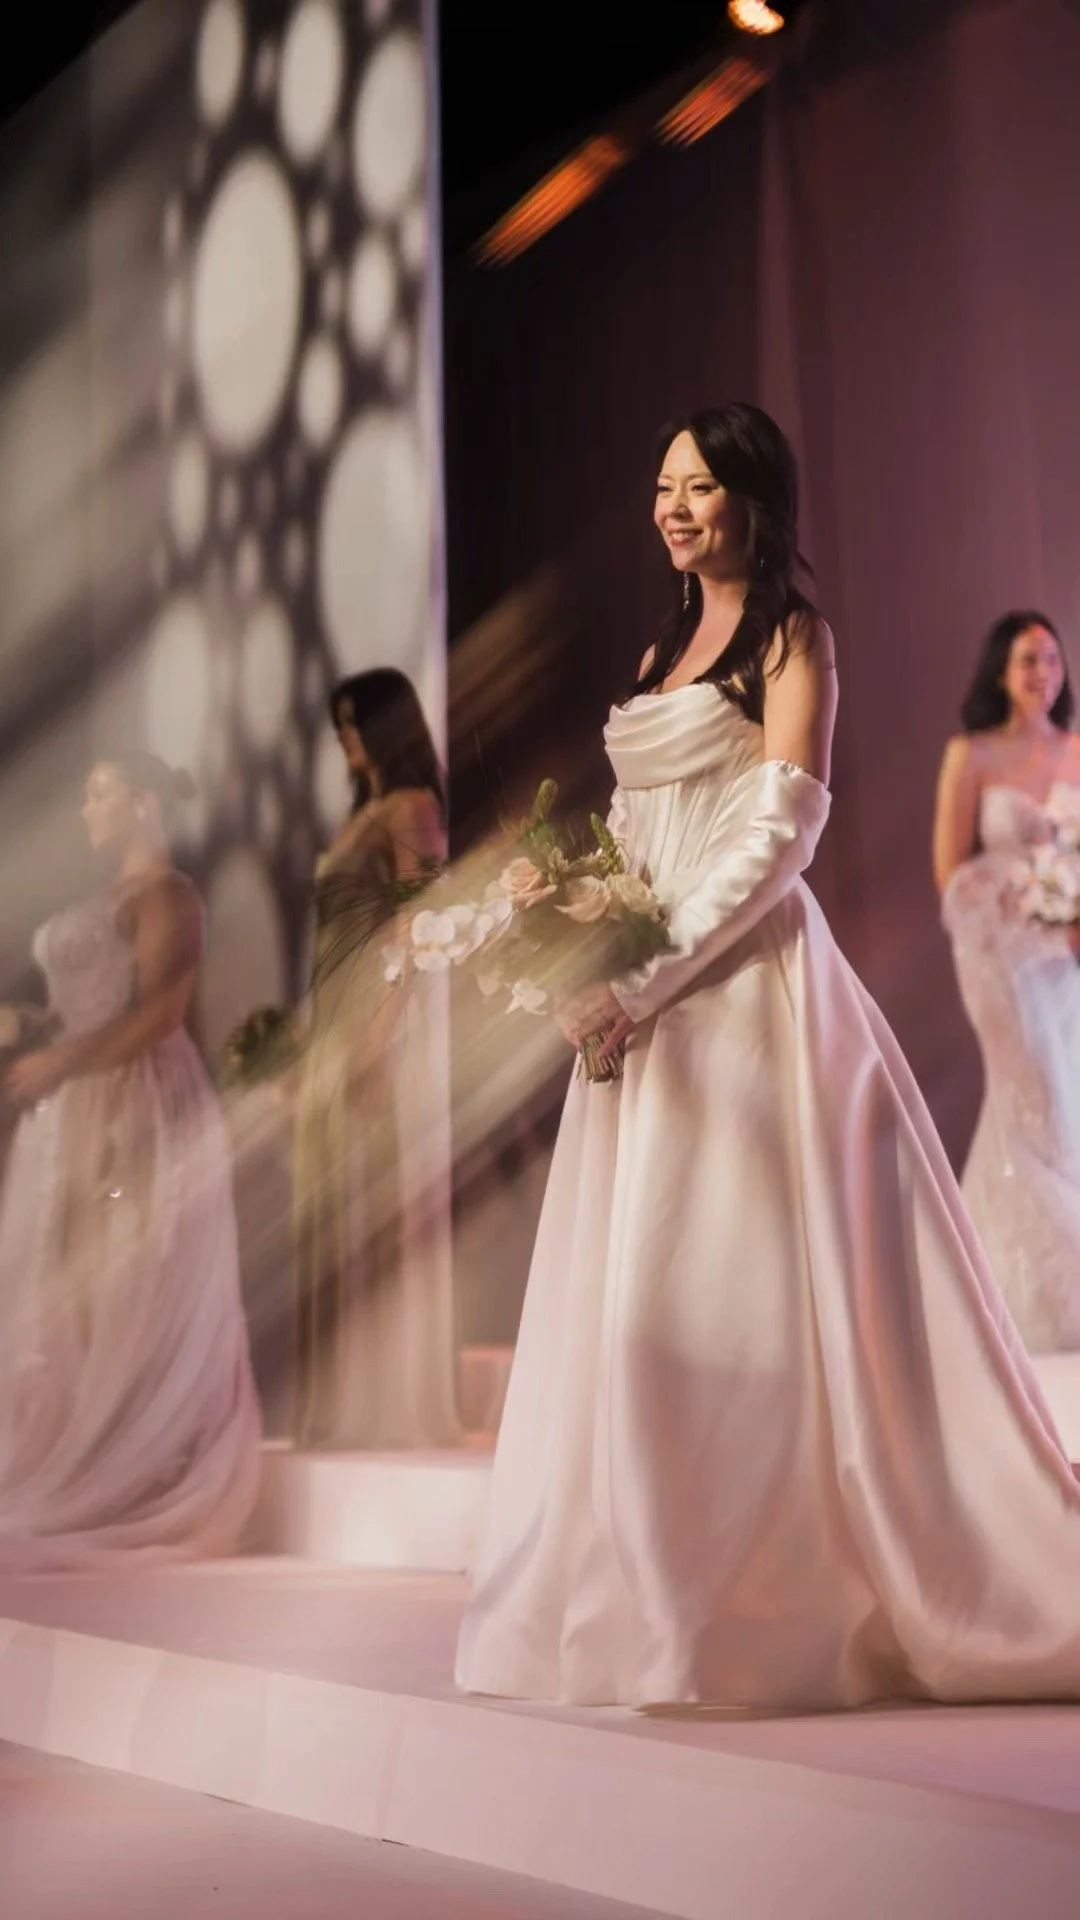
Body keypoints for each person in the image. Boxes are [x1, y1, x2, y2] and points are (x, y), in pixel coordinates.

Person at [455, 403, 1080, 1713]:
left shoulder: (796, 639)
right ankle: (641, 1592)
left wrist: (643, 974)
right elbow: (636, 836)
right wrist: (579, 957)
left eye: (698, 486)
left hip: (738, 984)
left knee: (733, 1278)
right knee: (641, 1299)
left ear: (754, 498)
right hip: (636, 1004)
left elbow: (783, 834)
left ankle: (744, 1607)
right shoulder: (660, 645)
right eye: (663, 486)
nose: (673, 508)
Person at [0, 751, 260, 1568]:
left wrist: (62, 1060)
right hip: (74, 1107)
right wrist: (34, 1026)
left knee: (126, 1275)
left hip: (135, 1103)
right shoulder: (109, 896)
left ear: (143, 804)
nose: (86, 808)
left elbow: (160, 1014)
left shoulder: (169, 894)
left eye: (99, 792)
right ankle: (83, 1453)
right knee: (67, 1283)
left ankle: (135, 1469)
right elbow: (90, 1003)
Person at [293, 668, 461, 1448]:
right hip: (333, 1021)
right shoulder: (361, 811)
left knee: (372, 1199)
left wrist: (379, 1034)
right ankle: (335, 1404)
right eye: (339, 727)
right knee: (328, 1208)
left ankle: (382, 1404)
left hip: (374, 1021)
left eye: (353, 725)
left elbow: (418, 926)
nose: (345, 741)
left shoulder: (411, 808)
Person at [933, 612, 1080, 1350]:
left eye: (1051, 659)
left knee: (1068, 1099)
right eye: (1027, 659)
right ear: (1001, 669)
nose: (1042, 673)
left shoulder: (1078, 751)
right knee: (1032, 1092)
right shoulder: (972, 753)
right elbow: (948, 870)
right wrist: (1019, 904)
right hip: (998, 958)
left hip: (1068, 956)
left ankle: (1014, 1283)